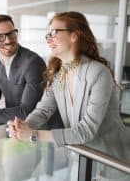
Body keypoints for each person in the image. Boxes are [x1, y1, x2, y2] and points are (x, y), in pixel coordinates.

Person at [7, 11, 130, 164]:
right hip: (81, 157)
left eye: (54, 32)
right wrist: (24, 126)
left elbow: (86, 130)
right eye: (47, 35)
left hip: (113, 160)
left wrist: (34, 134)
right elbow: (43, 111)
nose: (49, 39)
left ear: (74, 35)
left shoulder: (98, 72)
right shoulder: (59, 75)